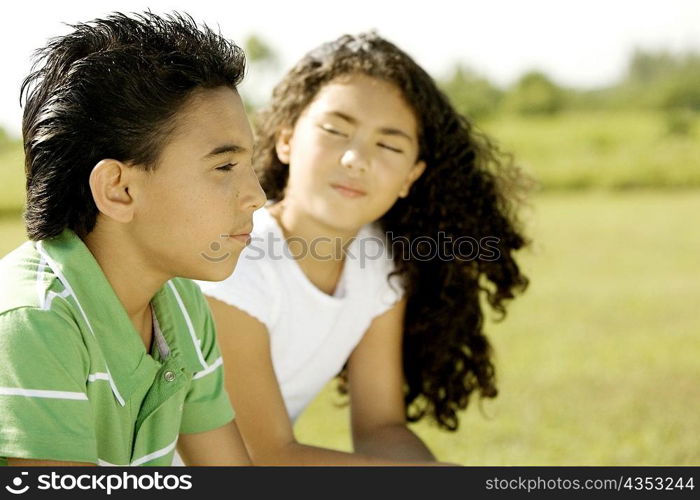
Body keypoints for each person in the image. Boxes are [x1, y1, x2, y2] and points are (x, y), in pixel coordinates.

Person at [198, 32, 530, 465]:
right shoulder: (237, 265)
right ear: (286, 140)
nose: (356, 158)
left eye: (389, 145)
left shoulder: (377, 262)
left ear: (411, 175)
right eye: (336, 130)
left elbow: (380, 428)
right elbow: (265, 457)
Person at [0, 12, 266, 466]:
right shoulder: (33, 323)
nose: (257, 197)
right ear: (119, 189)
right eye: (224, 167)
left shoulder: (179, 305)